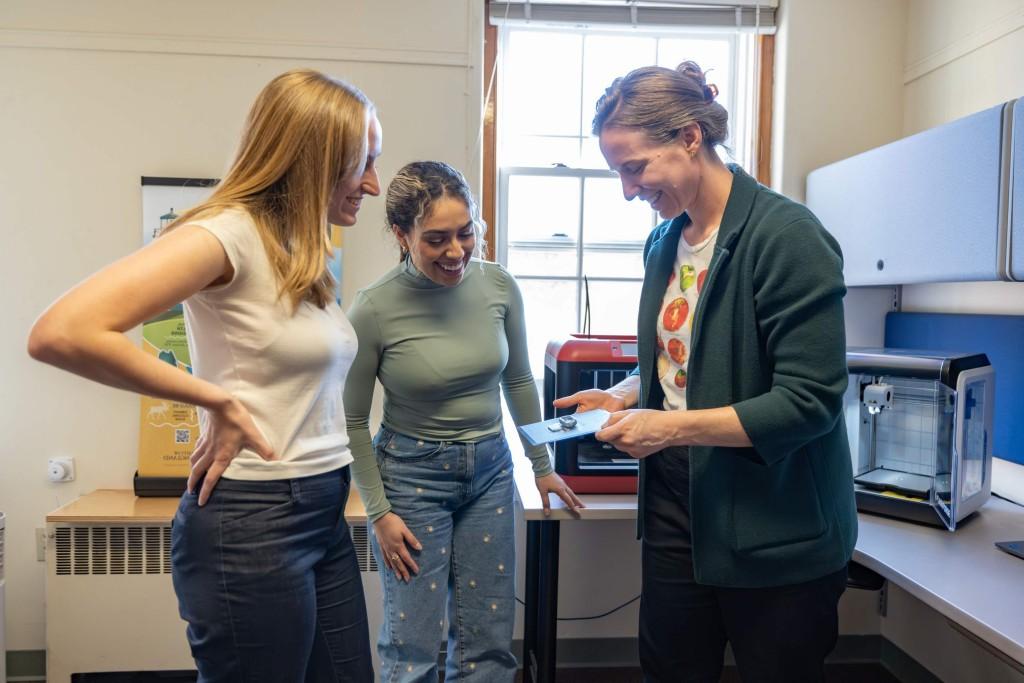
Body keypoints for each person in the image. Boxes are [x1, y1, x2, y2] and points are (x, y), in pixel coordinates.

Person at [28, 68, 381, 682]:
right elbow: (62, 332)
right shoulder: (225, 234)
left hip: (323, 503)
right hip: (253, 518)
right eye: (363, 162)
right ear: (316, 157)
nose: (374, 184)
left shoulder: (297, 248)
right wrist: (211, 397)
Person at [554, 61, 858, 682]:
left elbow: (809, 403)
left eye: (634, 168)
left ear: (690, 137)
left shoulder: (787, 238)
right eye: (617, 172)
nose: (627, 190)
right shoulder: (664, 241)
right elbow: (678, 359)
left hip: (775, 523)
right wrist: (624, 392)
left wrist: (666, 428)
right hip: (677, 509)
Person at [343, 160, 583, 682]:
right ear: (400, 235)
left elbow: (518, 381)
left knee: (489, 641)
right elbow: (353, 422)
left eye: (465, 233)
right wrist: (379, 513)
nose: (456, 252)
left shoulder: (498, 286)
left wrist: (540, 465)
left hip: (492, 472)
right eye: (436, 240)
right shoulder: (373, 309)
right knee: (413, 646)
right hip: (410, 476)